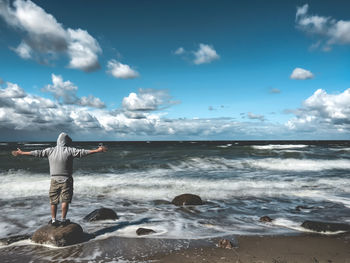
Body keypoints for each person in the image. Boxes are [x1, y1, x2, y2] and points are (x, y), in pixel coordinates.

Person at [12, 132, 107, 226]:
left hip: (54, 180)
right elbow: (83, 152)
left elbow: (36, 153)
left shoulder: (50, 150)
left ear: (58, 141)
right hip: (66, 179)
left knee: (53, 200)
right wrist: (97, 150)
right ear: (67, 142)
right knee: (65, 200)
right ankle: (63, 220)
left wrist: (22, 153)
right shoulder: (70, 150)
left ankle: (53, 220)